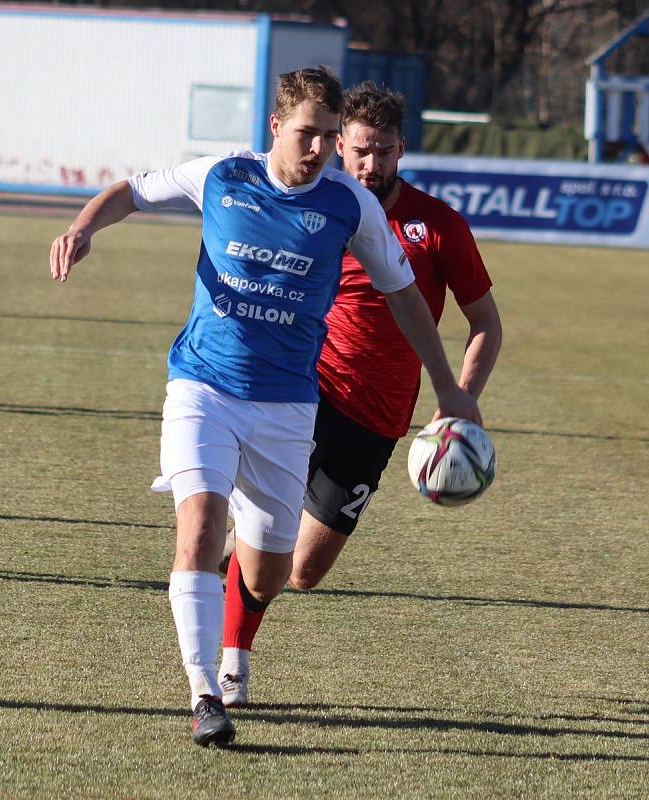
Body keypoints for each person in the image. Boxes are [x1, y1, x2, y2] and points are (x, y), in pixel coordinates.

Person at [49, 67, 481, 748]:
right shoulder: (224, 174)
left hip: (285, 408)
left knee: (275, 570)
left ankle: (234, 615)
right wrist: (83, 226)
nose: (318, 149)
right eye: (308, 134)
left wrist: (448, 388)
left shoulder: (350, 206)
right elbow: (132, 190)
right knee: (197, 527)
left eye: (328, 136)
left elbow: (403, 296)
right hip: (202, 386)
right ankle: (204, 695)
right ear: (276, 127)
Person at [217, 81, 502, 708]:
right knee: (268, 540)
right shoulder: (315, 207)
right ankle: (231, 664)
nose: (371, 166)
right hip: (301, 390)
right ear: (340, 144)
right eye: (361, 151)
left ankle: (236, 546)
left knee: (303, 572)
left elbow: (486, 323)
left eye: (385, 152)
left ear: (402, 148)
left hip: (377, 417)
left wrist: (457, 397)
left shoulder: (439, 226)